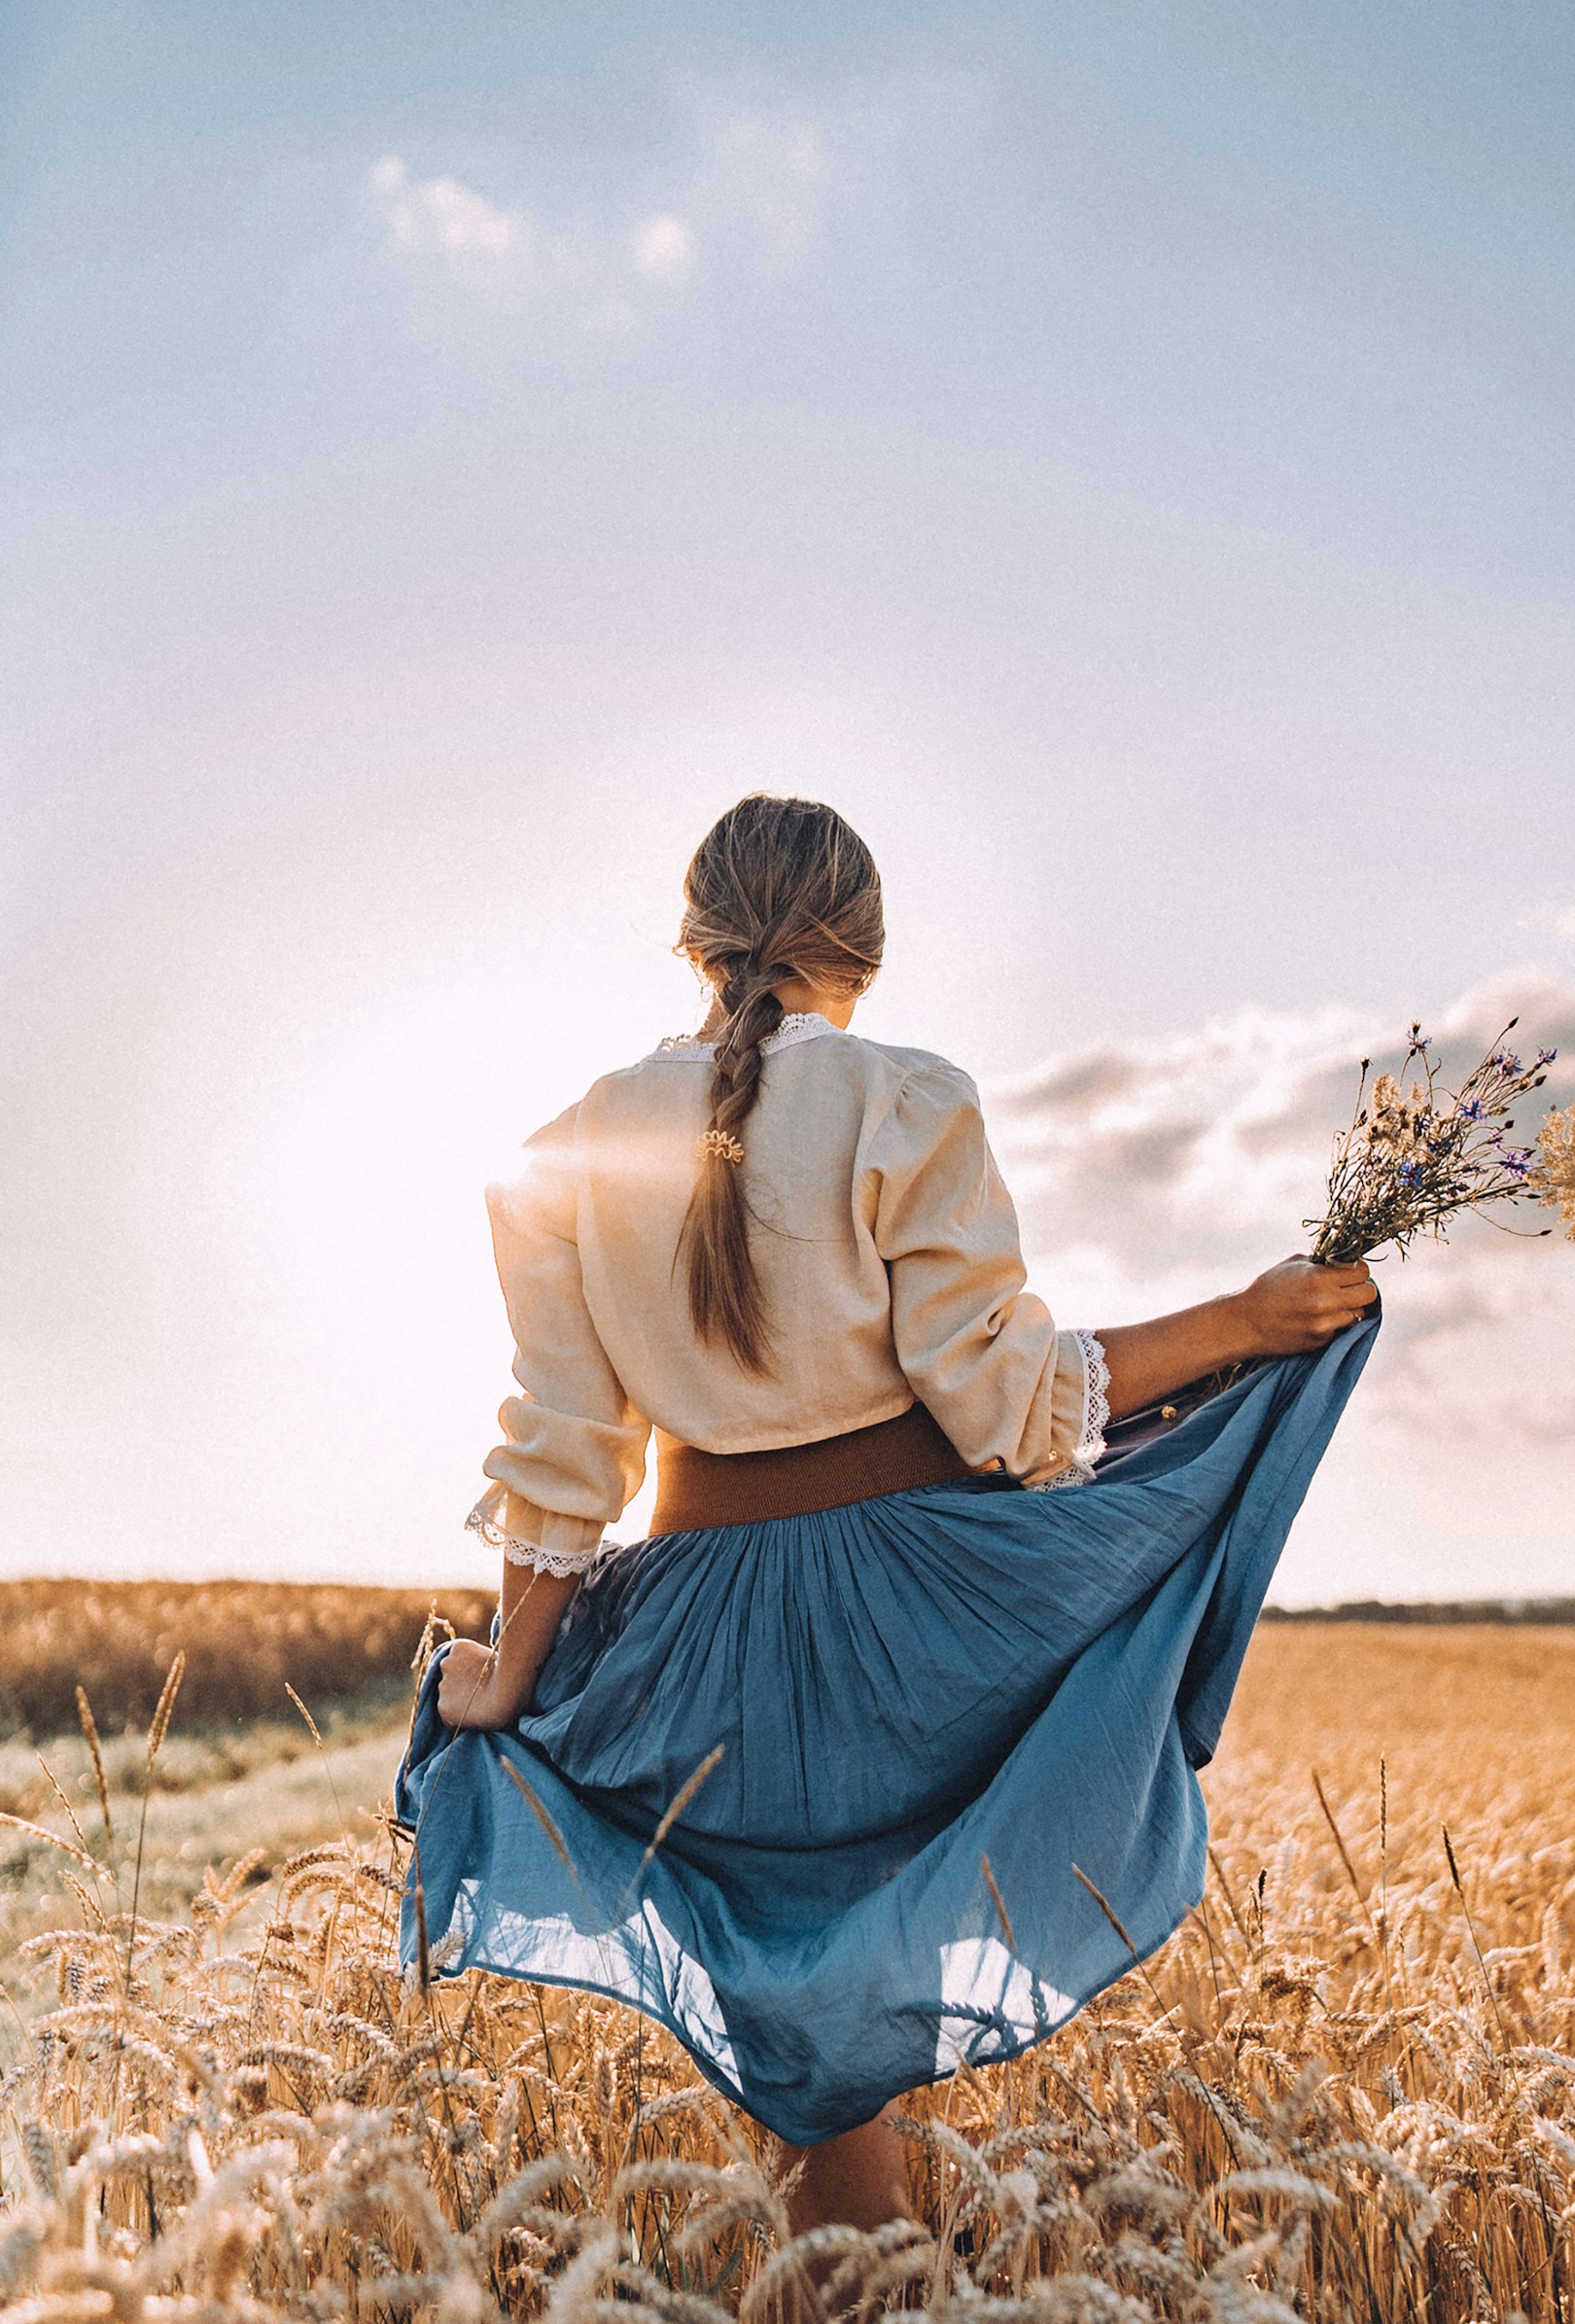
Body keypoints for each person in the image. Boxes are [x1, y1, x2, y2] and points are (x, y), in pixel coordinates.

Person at [400, 796, 1377, 2234]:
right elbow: (1001, 1401)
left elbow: (565, 1458)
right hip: (916, 1622)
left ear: (694, 938)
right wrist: (1241, 1322)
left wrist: (510, 1675)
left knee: (802, 2034)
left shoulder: (567, 1154)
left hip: (700, 1632)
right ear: (861, 947)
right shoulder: (903, 1097)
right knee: (853, 2004)